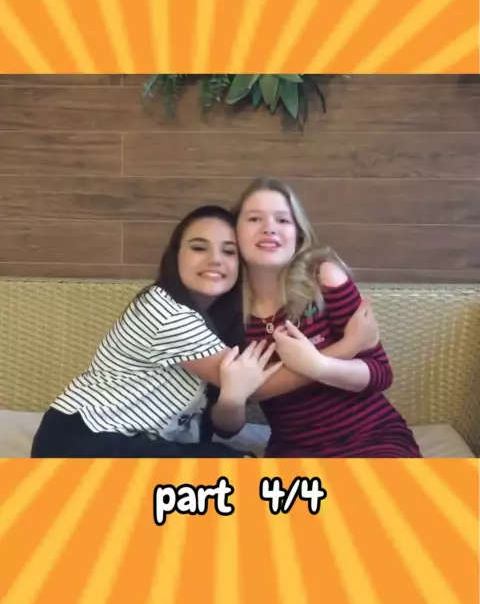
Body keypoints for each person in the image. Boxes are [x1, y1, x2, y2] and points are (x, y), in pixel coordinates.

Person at [30, 205, 281, 458]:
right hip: (83, 437)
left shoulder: (224, 326)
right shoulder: (164, 309)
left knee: (234, 461)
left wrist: (232, 399)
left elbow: (227, 427)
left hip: (137, 442)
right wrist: (309, 364)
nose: (215, 259)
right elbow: (260, 384)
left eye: (229, 251)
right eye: (198, 248)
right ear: (176, 256)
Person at [221, 177, 421, 458]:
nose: (269, 228)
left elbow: (380, 373)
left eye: (283, 220)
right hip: (294, 450)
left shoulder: (324, 278)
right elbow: (238, 408)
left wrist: (320, 366)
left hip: (372, 437)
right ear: (234, 233)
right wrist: (344, 348)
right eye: (254, 219)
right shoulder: (226, 310)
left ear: (298, 234)